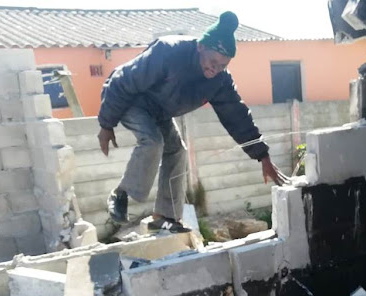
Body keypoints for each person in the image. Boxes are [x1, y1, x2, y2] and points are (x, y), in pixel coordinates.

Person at [98, 11, 289, 233]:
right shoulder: (168, 52)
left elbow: (237, 116)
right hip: (131, 99)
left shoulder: (219, 81)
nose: (214, 69)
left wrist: (262, 156)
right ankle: (121, 194)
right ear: (200, 47)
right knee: (152, 141)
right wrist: (106, 124)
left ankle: (164, 216)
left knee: (178, 150)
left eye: (222, 65)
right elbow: (124, 81)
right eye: (212, 61)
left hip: (160, 111)